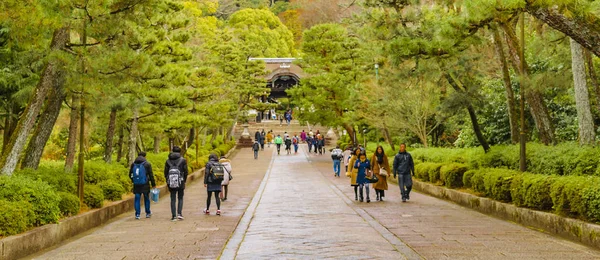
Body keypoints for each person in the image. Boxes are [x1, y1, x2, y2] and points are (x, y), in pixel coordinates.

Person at [129, 151, 156, 219]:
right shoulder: (147, 164)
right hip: (145, 184)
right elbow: (151, 175)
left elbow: (130, 174)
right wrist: (153, 184)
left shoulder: (133, 164)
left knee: (137, 198)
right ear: (145, 156)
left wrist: (134, 181)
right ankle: (147, 213)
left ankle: (137, 214)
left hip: (136, 185)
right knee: (146, 198)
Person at [164, 146, 188, 221]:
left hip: (171, 182)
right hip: (180, 181)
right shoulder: (183, 160)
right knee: (180, 197)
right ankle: (179, 214)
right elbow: (186, 171)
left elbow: (165, 172)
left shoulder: (168, 161)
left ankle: (173, 216)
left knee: (173, 198)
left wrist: (167, 180)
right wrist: (184, 180)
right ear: (180, 152)